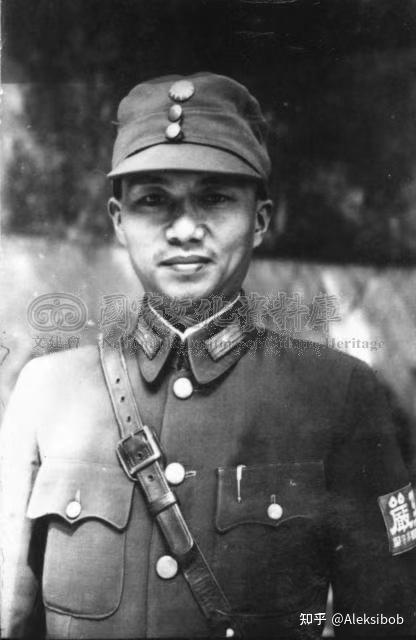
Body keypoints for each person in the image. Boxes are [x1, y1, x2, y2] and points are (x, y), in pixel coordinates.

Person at [1, 72, 415, 640]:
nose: (184, 229)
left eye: (214, 198)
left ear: (260, 220)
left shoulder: (338, 395)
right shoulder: (47, 392)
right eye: (154, 201)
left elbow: (383, 618)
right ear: (119, 220)